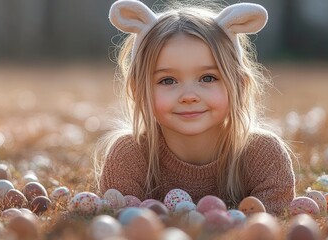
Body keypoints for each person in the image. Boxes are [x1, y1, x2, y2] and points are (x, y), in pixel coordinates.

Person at [94, 0, 296, 215]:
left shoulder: (263, 155)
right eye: (168, 80)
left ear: (239, 84)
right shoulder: (129, 156)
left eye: (208, 78)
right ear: (138, 90)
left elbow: (272, 224)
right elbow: (122, 224)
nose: (189, 96)